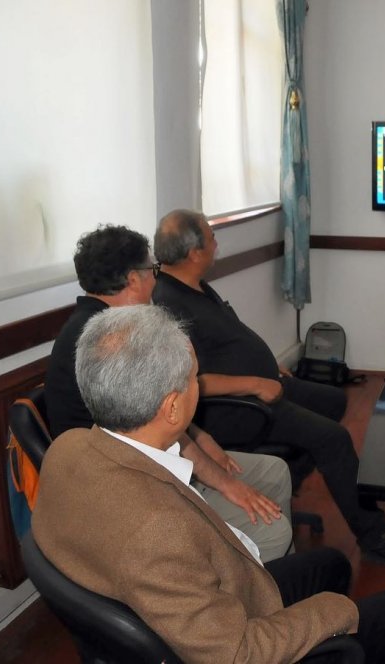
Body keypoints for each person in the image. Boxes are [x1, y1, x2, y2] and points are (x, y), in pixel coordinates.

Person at [32, 305, 385, 663]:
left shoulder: (66, 447)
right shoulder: (159, 532)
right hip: (227, 639)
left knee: (332, 565)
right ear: (172, 408)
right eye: (193, 378)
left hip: (193, 606)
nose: (199, 386)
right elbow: (237, 653)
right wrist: (338, 614)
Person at [151, 209, 385, 567]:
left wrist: (269, 369)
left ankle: (286, 480)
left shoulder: (195, 284)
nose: (216, 243)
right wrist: (256, 383)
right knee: (332, 439)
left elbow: (228, 342)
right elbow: (190, 382)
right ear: (194, 253)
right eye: (211, 237)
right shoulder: (169, 303)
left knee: (333, 400)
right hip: (232, 407)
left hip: (260, 385)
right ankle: (374, 535)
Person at [45, 225, 295, 563]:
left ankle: (279, 579)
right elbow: (159, 425)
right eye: (153, 269)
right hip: (128, 487)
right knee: (274, 529)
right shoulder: (118, 342)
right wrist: (226, 484)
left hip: (147, 459)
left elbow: (159, 416)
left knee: (274, 472)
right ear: (133, 279)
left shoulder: (99, 324)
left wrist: (202, 438)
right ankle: (252, 584)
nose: (156, 279)